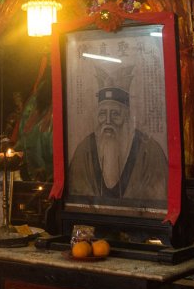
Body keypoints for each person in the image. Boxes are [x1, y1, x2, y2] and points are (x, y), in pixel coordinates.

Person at [67, 65, 167, 201]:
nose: (108, 121)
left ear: (127, 118)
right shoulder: (84, 150)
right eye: (102, 114)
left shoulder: (150, 151)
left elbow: (159, 195)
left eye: (115, 114)